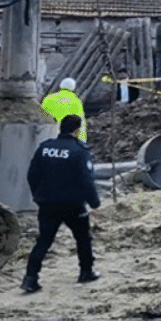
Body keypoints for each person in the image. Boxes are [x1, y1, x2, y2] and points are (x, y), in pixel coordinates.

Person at [20, 114, 100, 293]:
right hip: (73, 204)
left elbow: (32, 174)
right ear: (77, 130)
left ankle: (30, 278)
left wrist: (38, 195)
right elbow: (86, 180)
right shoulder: (79, 150)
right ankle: (86, 271)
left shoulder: (45, 148)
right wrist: (94, 202)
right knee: (83, 238)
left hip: (47, 203)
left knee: (44, 241)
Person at [41, 77, 87, 143]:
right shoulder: (76, 101)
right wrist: (82, 142)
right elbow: (80, 122)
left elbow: (41, 116)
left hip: (48, 135)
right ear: (73, 88)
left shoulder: (48, 99)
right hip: (66, 138)